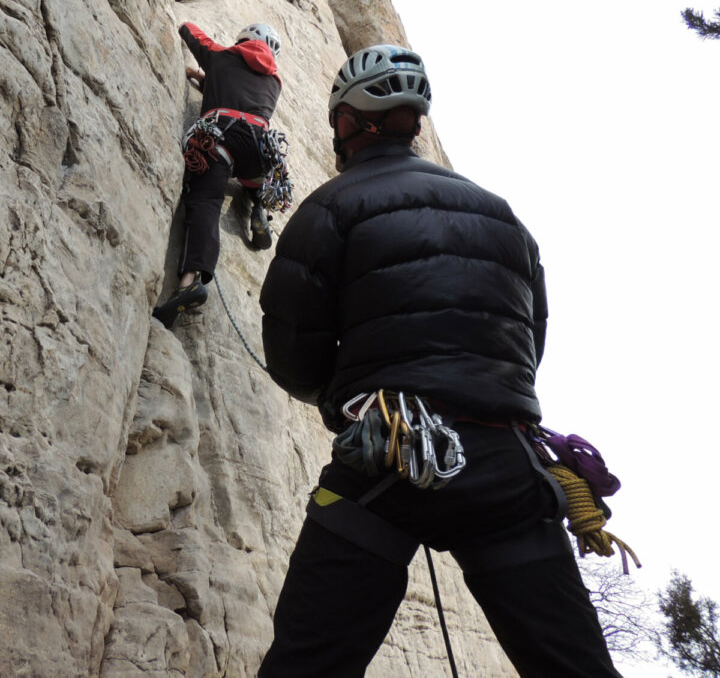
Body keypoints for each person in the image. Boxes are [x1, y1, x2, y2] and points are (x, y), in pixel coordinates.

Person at [257, 45, 621, 676]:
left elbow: (293, 352)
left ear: (348, 122)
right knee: (575, 668)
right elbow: (527, 343)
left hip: (388, 462)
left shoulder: (331, 207)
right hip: (508, 469)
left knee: (306, 663)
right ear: (413, 121)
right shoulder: (503, 216)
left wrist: (353, 406)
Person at [152, 22, 283, 329]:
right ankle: (257, 205)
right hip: (258, 145)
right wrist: (202, 78)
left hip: (220, 137)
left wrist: (181, 26)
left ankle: (190, 281)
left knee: (205, 201)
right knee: (255, 174)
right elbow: (237, 95)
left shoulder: (222, 55)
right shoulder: (275, 81)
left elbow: (191, 32)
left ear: (242, 41)